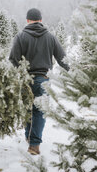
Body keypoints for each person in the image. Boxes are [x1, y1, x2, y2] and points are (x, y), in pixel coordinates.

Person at [9, 8, 69, 155]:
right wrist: (71, 72)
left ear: (28, 20)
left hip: (25, 79)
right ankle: (34, 144)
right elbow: (63, 58)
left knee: (28, 109)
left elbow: (13, 59)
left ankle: (28, 136)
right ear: (41, 20)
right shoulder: (50, 37)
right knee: (40, 111)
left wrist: (20, 72)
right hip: (44, 80)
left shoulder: (20, 37)